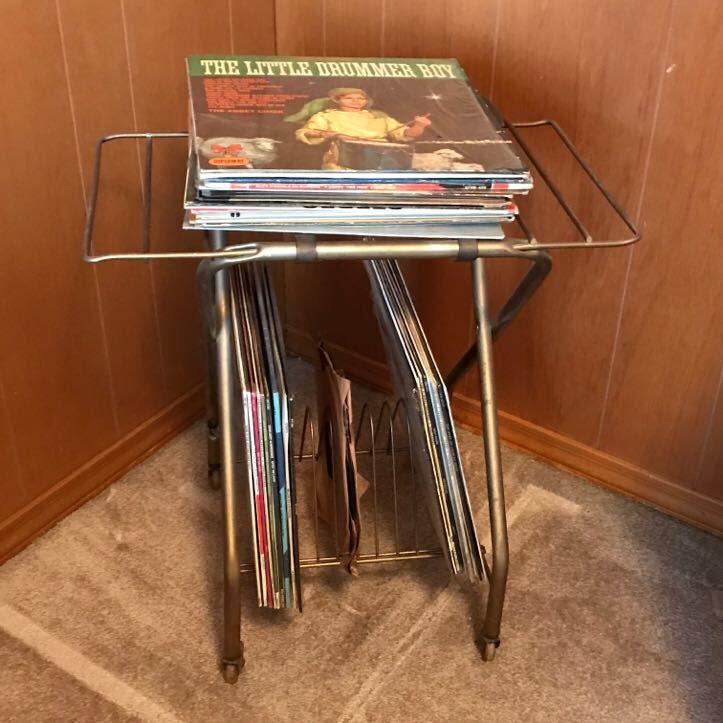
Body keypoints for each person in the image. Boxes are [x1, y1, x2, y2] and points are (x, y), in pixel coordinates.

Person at [293, 87, 431, 170]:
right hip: (342, 159)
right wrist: (331, 135)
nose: (356, 101)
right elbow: (305, 132)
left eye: (360, 98)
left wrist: (419, 125)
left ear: (366, 101)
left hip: (381, 158)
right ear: (338, 100)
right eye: (349, 98)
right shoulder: (326, 115)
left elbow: (407, 134)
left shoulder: (379, 116)